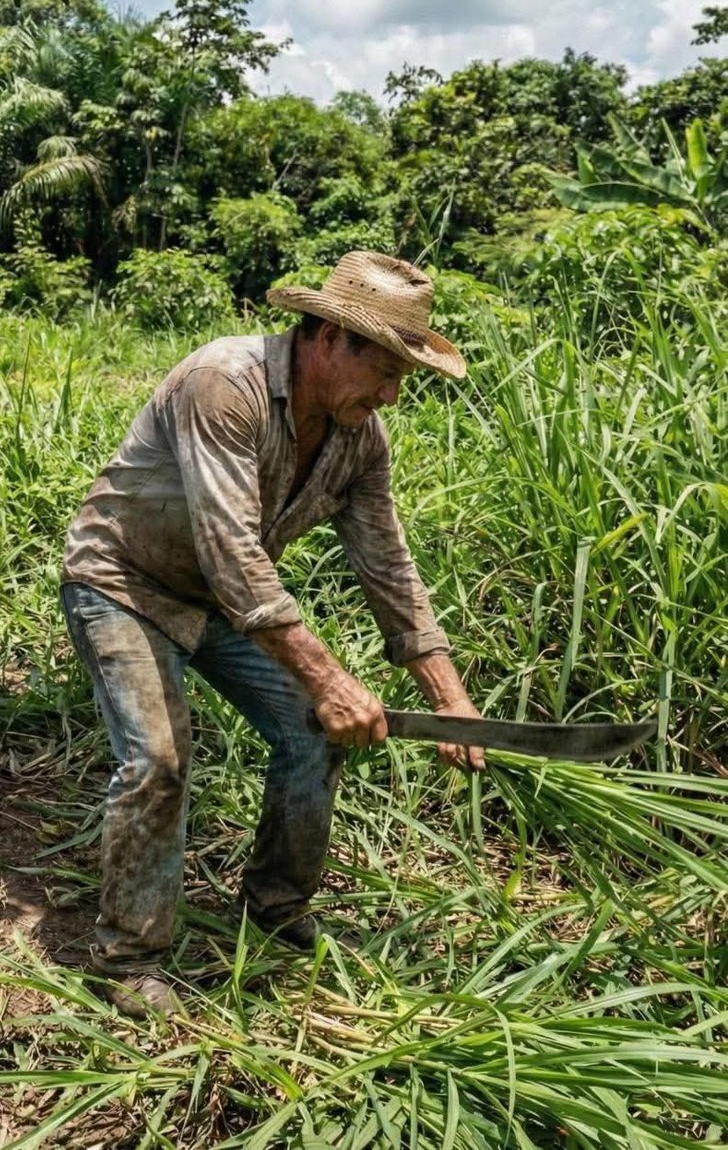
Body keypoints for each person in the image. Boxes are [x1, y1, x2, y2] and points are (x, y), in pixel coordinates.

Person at [60, 250, 485, 1017]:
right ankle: (128, 960)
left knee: (314, 732)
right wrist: (332, 678)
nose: (391, 393)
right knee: (158, 759)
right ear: (327, 335)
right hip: (124, 581)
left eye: (403, 379)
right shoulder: (226, 382)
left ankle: (277, 909)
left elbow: (389, 566)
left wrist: (449, 698)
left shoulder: (361, 437)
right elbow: (232, 554)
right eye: (383, 371)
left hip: (224, 602)